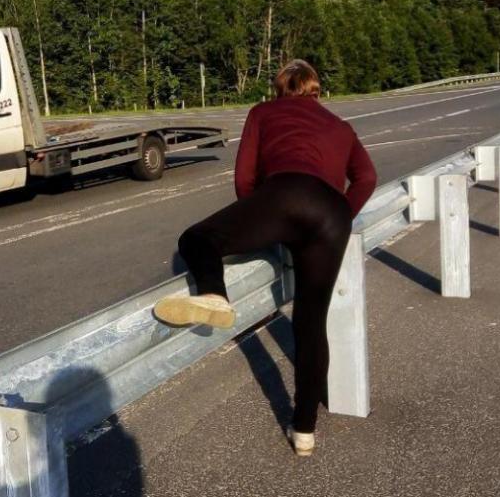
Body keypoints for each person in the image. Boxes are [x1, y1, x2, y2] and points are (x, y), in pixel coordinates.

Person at [153, 59, 377, 456]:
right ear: (316, 90)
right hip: (331, 215)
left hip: (283, 195)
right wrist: (342, 215)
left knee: (197, 238)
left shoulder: (263, 112)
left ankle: (213, 295)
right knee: (310, 325)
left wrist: (261, 225)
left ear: (280, 89)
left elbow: (244, 179)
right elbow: (367, 178)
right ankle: (304, 430)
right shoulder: (340, 126)